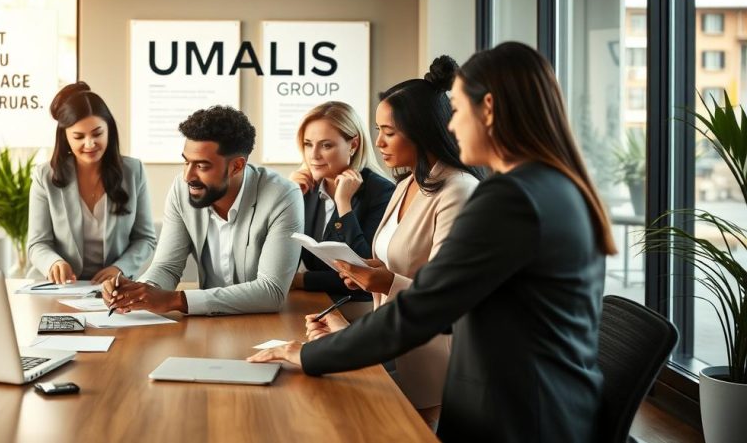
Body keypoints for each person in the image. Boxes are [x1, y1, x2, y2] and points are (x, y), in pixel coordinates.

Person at [250, 42, 615, 443]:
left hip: (515, 417)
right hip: (546, 406)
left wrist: (307, 355)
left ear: (488, 108)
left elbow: (425, 307)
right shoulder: (554, 187)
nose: (451, 126)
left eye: (456, 111)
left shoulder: (509, 199)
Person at [321, 56, 482, 426]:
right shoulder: (408, 182)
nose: (378, 142)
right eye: (378, 130)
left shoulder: (459, 190)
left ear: (423, 132)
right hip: (393, 343)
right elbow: (397, 260)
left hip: (434, 361)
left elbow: (448, 297)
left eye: (389, 132)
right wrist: (370, 271)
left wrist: (383, 281)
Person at [103, 106, 304, 315]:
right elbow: (167, 267)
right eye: (186, 161)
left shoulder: (283, 196)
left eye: (202, 166)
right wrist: (138, 292)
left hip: (264, 323)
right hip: (208, 322)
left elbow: (271, 291)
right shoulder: (182, 190)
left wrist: (176, 300)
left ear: (236, 166)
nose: (187, 176)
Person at [27, 82, 155, 283]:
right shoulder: (45, 176)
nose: (89, 144)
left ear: (109, 130)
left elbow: (145, 239)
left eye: (97, 134)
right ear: (65, 137)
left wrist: (120, 268)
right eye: (78, 137)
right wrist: (54, 263)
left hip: (115, 287)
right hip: (59, 286)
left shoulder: (133, 172)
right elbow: (37, 243)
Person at [288, 101, 393, 300]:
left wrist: (344, 204)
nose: (314, 155)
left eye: (326, 145)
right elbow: (278, 257)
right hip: (316, 301)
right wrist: (288, 197)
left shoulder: (381, 192)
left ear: (353, 145)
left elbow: (366, 275)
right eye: (308, 144)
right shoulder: (307, 188)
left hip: (360, 307)